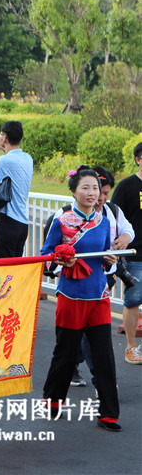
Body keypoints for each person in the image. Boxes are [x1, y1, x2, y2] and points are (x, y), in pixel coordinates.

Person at [40, 168, 121, 432]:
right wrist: (61, 257)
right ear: (73, 191)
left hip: (99, 294)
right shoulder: (61, 220)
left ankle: (108, 413)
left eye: (95, 189)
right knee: (65, 353)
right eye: (85, 188)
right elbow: (46, 258)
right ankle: (52, 402)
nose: (92, 193)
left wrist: (111, 259)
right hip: (71, 294)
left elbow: (105, 258)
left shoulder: (104, 221)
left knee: (104, 355)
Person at [0, 121, 33, 258]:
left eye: (1, 134)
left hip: (8, 221)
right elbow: (12, 160)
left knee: (5, 269)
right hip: (22, 223)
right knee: (15, 268)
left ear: (5, 138)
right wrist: (3, 146)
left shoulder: (4, 161)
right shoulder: (28, 158)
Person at [111, 142, 142, 364]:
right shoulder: (127, 186)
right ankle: (131, 347)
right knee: (133, 301)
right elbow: (113, 219)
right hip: (135, 255)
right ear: (138, 159)